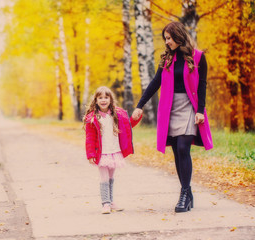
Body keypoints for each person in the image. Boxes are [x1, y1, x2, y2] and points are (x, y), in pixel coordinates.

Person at [132, 22, 213, 213]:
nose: (167, 42)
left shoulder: (198, 57)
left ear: (178, 35)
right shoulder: (167, 59)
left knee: (184, 146)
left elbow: (202, 85)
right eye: (165, 39)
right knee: (177, 150)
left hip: (189, 106)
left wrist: (200, 110)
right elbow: (155, 83)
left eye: (169, 38)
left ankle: (184, 194)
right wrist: (140, 105)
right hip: (170, 108)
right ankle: (188, 192)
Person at [83, 86, 142, 214]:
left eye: (106, 97)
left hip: (114, 151)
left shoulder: (118, 114)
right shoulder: (93, 118)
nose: (103, 100)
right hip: (101, 153)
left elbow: (128, 126)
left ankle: (111, 201)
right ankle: (105, 203)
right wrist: (91, 154)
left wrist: (135, 119)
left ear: (110, 99)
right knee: (104, 178)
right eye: (100, 98)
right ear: (96, 100)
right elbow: (90, 138)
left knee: (111, 177)